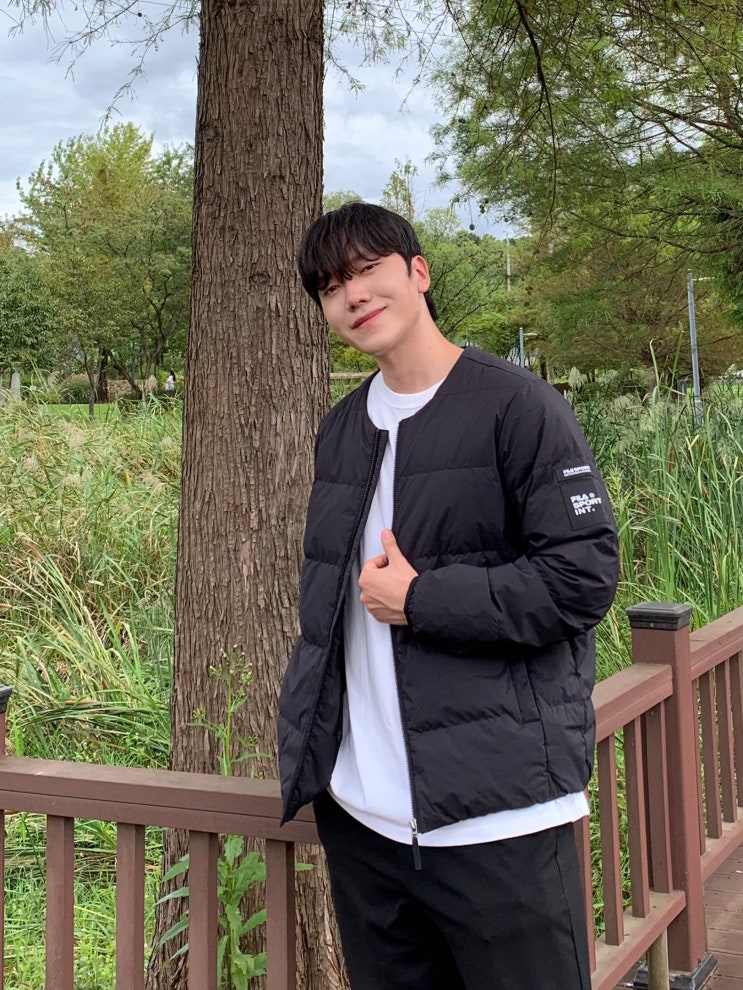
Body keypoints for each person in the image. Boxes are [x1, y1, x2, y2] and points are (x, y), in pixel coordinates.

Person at [278, 202, 619, 990]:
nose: (353, 295)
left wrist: (422, 599)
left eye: (367, 270)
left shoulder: (517, 407)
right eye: (330, 286)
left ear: (418, 272)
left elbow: (580, 579)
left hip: (498, 818)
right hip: (363, 822)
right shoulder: (340, 429)